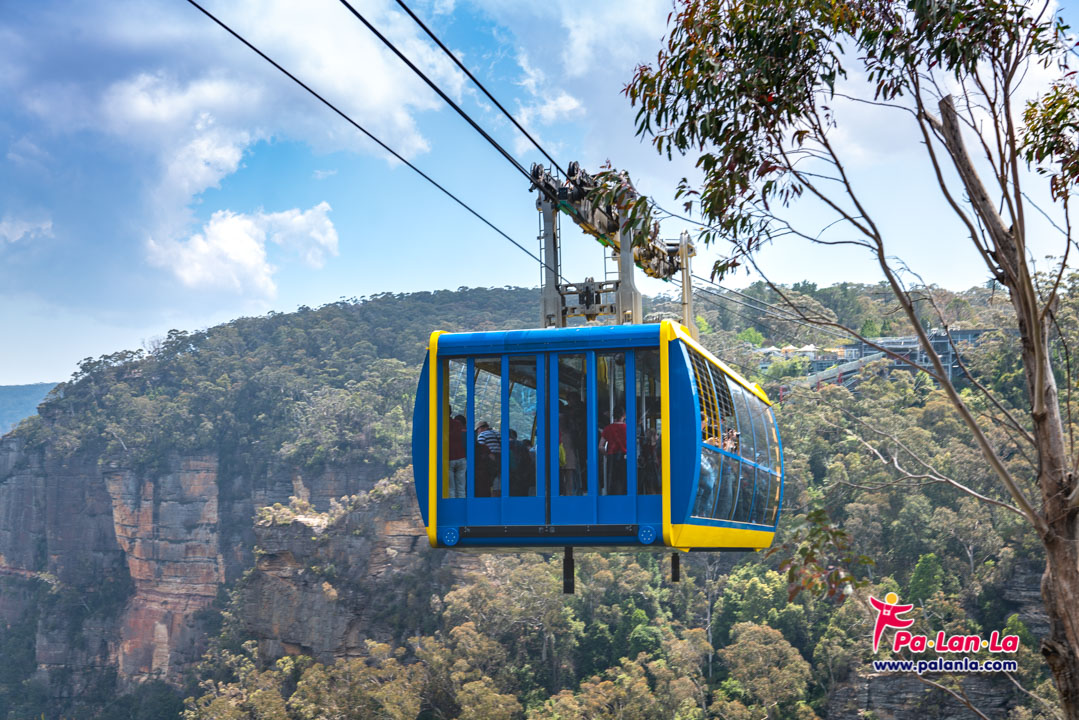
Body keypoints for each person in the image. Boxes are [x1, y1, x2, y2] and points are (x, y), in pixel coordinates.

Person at [599, 406, 628, 495]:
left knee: (613, 482)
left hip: (612, 457)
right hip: (625, 457)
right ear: (624, 415)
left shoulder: (608, 428)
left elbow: (600, 446)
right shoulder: (628, 428)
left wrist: (607, 454)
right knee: (625, 482)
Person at [476, 420, 501, 497]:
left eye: (477, 430)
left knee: (490, 479)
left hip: (490, 458)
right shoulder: (498, 433)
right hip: (501, 458)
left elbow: (480, 448)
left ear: (481, 428)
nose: (477, 432)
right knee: (499, 479)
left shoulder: (482, 435)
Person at [448, 412, 466, 498]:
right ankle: (462, 504)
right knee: (461, 487)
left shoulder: (442, 424)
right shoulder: (458, 424)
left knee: (450, 488)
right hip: (461, 457)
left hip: (449, 458)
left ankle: (452, 504)